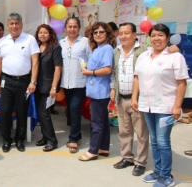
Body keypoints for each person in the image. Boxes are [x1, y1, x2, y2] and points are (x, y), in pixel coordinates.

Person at [110, 22, 179, 176]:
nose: (123, 36)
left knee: (142, 133)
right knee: (124, 131)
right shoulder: (116, 51)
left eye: (127, 33)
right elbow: (114, 73)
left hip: (140, 101)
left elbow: (163, 54)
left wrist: (174, 48)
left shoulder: (145, 51)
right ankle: (127, 157)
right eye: (121, 33)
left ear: (135, 35)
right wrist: (113, 89)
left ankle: (140, 162)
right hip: (122, 98)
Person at [131, 24, 188, 187]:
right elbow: (137, 78)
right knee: (154, 141)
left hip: (166, 107)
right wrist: (135, 97)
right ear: (149, 37)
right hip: (147, 106)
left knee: (163, 141)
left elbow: (181, 83)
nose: (157, 38)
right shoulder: (144, 56)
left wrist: (177, 106)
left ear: (167, 38)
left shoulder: (175, 57)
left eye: (161, 35)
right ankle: (157, 171)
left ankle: (166, 176)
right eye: (154, 35)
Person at [0, 12, 39, 153]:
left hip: (24, 82)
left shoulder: (30, 39)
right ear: (8, 26)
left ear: (21, 25)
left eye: (17, 23)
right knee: (5, 112)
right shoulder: (2, 41)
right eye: (11, 23)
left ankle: (20, 139)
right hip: (6, 81)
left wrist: (33, 82)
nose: (14, 26)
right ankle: (6, 140)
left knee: (21, 112)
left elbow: (35, 62)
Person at [79, 22, 116, 161]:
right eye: (95, 33)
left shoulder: (106, 48)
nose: (98, 35)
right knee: (103, 121)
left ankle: (93, 150)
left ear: (107, 34)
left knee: (96, 122)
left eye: (101, 32)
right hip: (96, 89)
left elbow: (107, 69)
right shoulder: (97, 48)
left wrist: (89, 72)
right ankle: (104, 148)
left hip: (100, 90)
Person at [60, 17, 92, 154]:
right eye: (69, 26)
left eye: (75, 27)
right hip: (65, 83)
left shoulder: (85, 42)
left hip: (80, 82)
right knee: (70, 110)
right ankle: (77, 136)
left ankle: (73, 139)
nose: (72, 29)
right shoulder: (60, 43)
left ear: (79, 28)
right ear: (65, 28)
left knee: (74, 109)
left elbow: (92, 60)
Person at [34, 24, 62, 152]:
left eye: (45, 32)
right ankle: (45, 137)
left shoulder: (55, 48)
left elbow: (58, 68)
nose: (43, 35)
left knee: (44, 113)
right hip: (37, 85)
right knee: (40, 113)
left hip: (48, 86)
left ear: (50, 34)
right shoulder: (36, 47)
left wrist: (54, 87)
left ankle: (52, 140)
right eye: (40, 32)